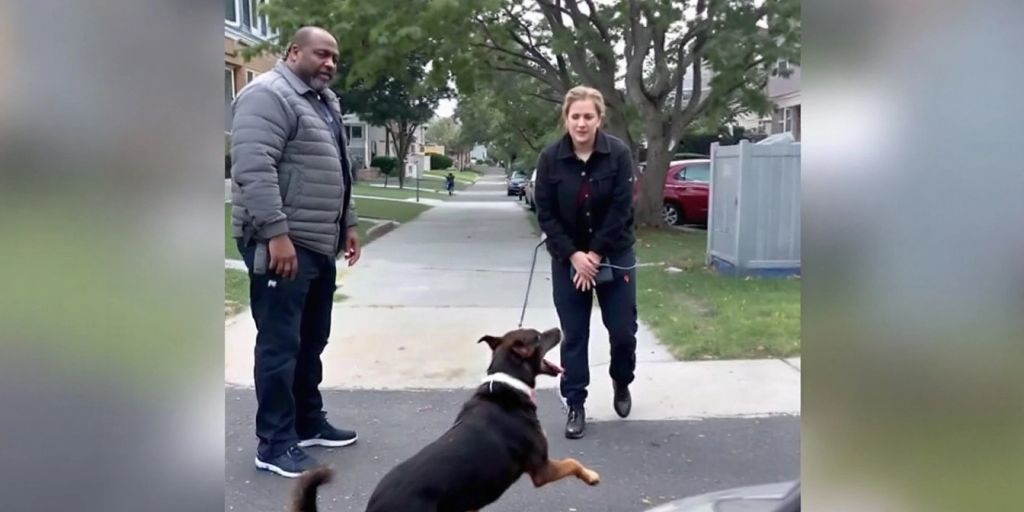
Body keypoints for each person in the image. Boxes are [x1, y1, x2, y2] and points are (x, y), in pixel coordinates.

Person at [230, 26, 361, 478]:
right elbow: (252, 165)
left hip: (318, 241)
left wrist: (349, 223)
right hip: (282, 243)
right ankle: (274, 443)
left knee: (312, 338)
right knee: (280, 345)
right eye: (321, 54)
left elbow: (340, 170)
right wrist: (276, 233)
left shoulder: (323, 102)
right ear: (293, 51)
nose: (329, 63)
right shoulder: (267, 95)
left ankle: (307, 421)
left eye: (334, 59)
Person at [534, 85, 638, 439]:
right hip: (568, 258)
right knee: (574, 335)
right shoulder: (550, 158)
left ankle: (621, 380)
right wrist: (575, 257)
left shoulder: (619, 154)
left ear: (599, 119)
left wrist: (594, 255)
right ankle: (575, 402)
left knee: (622, 332)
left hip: (614, 253)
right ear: (566, 118)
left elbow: (622, 209)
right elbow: (546, 214)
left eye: (588, 117)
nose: (581, 123)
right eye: (575, 116)